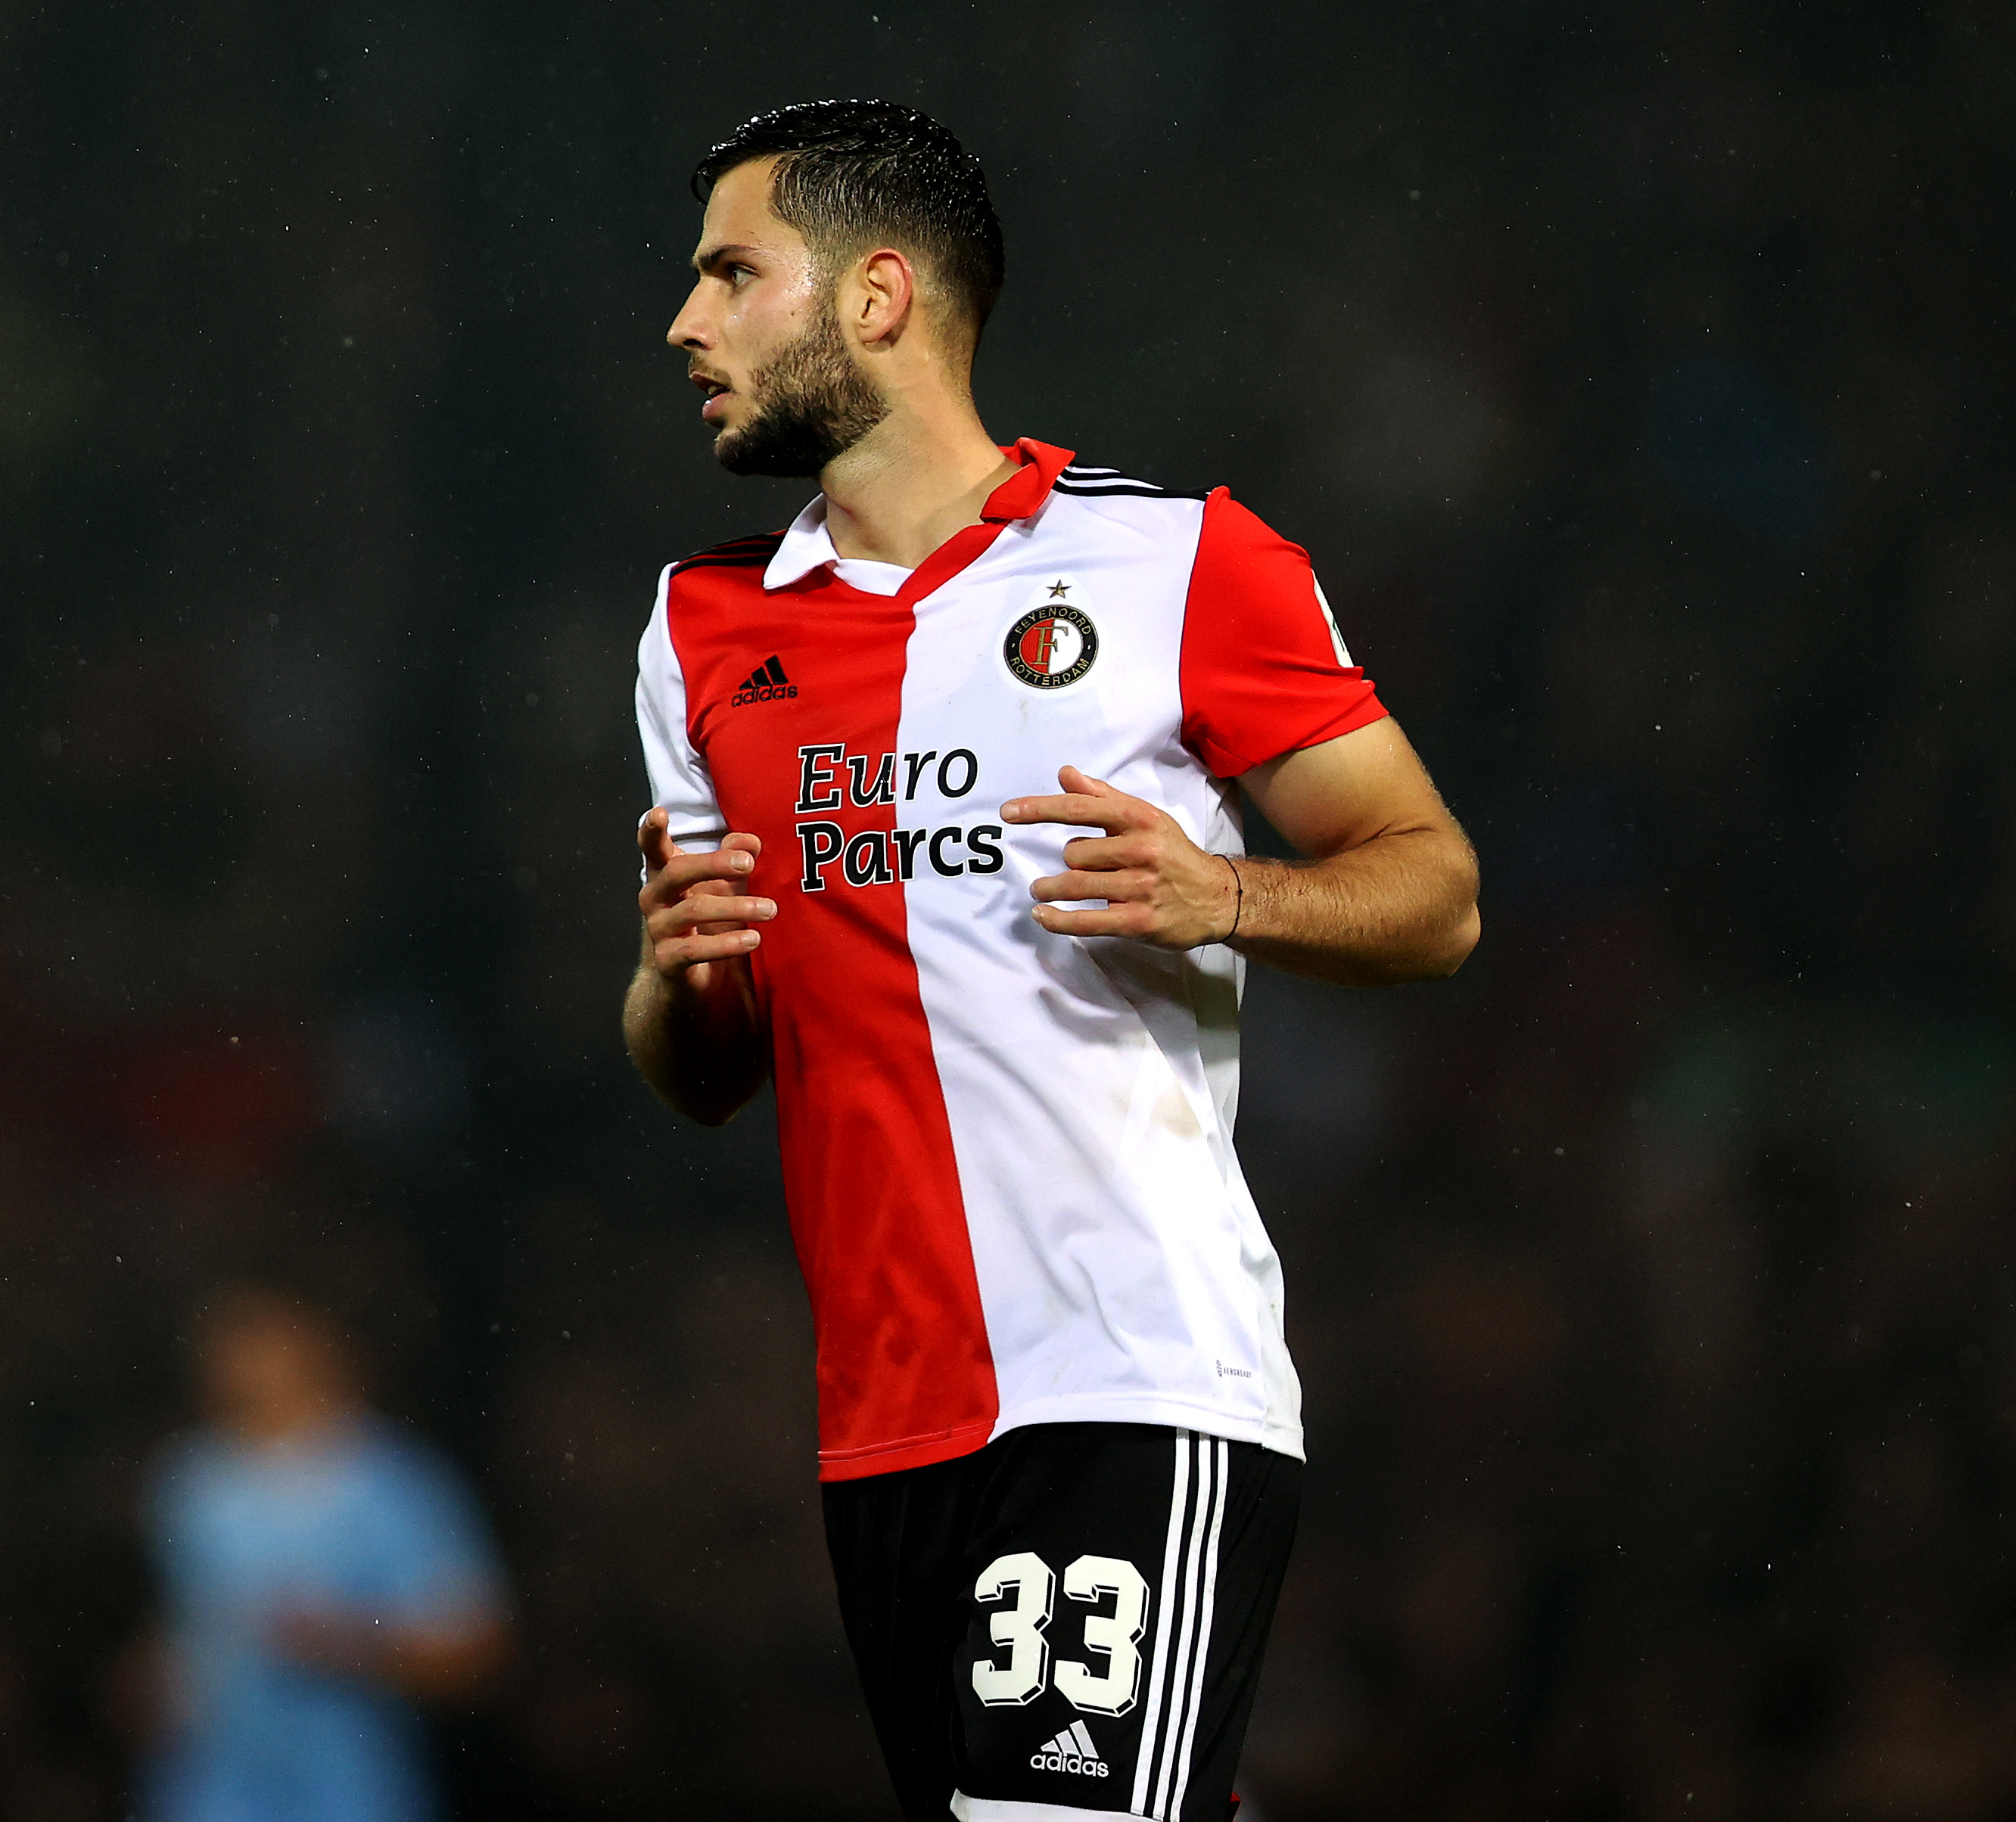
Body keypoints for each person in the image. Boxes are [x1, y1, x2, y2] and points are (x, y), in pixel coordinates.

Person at [623, 98, 1479, 1821]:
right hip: (882, 1423)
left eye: (730, 272)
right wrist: (672, 973)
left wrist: (1225, 897)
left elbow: (1433, 891)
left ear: (874, 296)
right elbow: (704, 1071)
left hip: (1121, 1371)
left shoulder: (1177, 564)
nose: (683, 324)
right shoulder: (698, 626)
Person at [135, 1286, 508, 1822]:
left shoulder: (394, 1485)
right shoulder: (190, 1482)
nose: (251, 1364)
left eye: (270, 1339)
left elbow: (477, 1645)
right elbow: (186, 1625)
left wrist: (357, 1645)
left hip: (351, 1791)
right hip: (208, 1792)